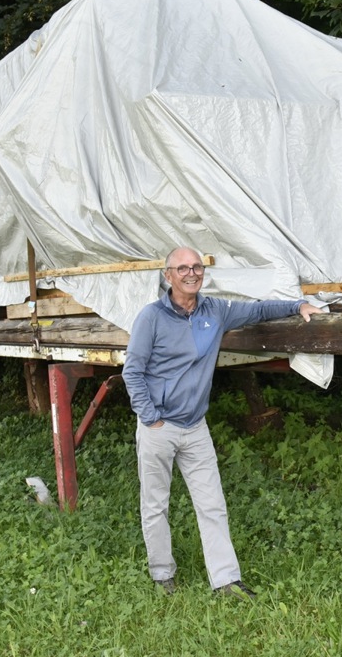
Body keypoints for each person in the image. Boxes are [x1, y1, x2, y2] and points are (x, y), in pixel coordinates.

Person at [122, 247, 323, 598]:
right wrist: (150, 418)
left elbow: (258, 309)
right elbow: (132, 371)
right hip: (159, 428)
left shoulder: (215, 310)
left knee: (212, 504)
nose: (191, 273)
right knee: (155, 504)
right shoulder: (151, 318)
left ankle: (226, 581)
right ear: (167, 275)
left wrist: (297, 305)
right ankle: (162, 574)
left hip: (195, 427)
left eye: (197, 266)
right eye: (182, 267)